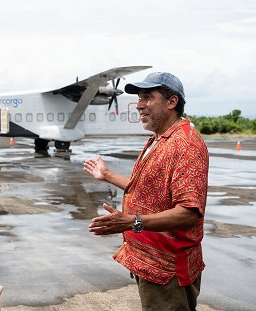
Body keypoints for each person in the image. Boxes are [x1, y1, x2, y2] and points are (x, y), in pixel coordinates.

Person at [84, 72, 209, 311]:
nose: (139, 105)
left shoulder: (186, 145)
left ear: (171, 102)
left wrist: (132, 221)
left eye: (147, 97)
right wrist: (107, 175)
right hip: (150, 264)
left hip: (168, 272)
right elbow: (148, 188)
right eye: (139, 98)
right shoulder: (160, 138)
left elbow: (189, 212)